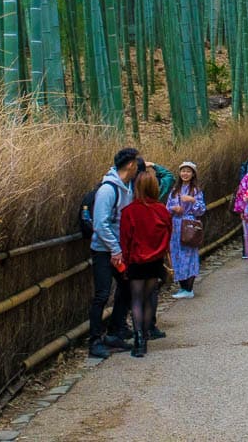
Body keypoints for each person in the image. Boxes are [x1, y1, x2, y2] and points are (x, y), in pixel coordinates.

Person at [88, 147, 140, 358]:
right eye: (136, 163)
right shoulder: (108, 190)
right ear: (130, 164)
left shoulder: (127, 187)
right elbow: (100, 224)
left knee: (127, 286)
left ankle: (114, 332)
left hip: (118, 251)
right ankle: (94, 341)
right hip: (103, 250)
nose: (138, 167)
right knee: (101, 294)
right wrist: (115, 249)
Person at [119, 168, 171, 357]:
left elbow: (125, 240)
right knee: (149, 298)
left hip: (136, 260)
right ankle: (146, 333)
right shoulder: (162, 210)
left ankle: (139, 338)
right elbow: (168, 234)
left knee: (136, 299)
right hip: (155, 260)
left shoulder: (129, 212)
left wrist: (125, 261)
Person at [168, 162, 205, 299]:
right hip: (176, 225)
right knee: (177, 254)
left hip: (189, 224)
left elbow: (201, 210)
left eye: (188, 171)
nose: (185, 174)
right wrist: (173, 209)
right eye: (183, 171)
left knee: (189, 255)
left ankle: (188, 288)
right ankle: (182, 287)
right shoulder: (174, 190)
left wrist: (193, 200)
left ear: (193, 174)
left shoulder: (196, 190)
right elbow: (167, 207)